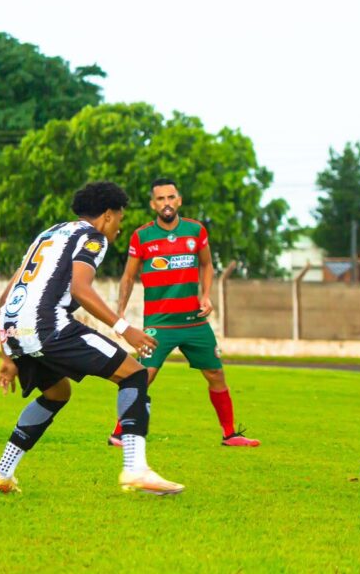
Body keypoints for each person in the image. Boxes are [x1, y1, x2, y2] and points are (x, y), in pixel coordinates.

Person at [0, 181, 184, 495]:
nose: (119, 226)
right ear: (107, 215)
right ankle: (135, 468)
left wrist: (8, 355)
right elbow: (80, 289)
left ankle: (2, 472)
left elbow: (5, 295)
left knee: (57, 394)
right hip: (48, 327)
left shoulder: (49, 233)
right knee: (135, 374)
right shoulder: (93, 237)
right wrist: (123, 328)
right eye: (119, 217)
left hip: (14, 329)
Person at [109, 178, 259, 447]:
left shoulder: (195, 231)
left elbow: (208, 265)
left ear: (179, 200)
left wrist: (205, 295)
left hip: (194, 322)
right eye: (160, 199)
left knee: (216, 374)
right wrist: (120, 313)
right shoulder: (141, 236)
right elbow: (128, 277)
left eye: (171, 197)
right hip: (159, 323)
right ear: (153, 204)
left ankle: (230, 434)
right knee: (143, 375)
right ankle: (120, 432)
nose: (166, 203)